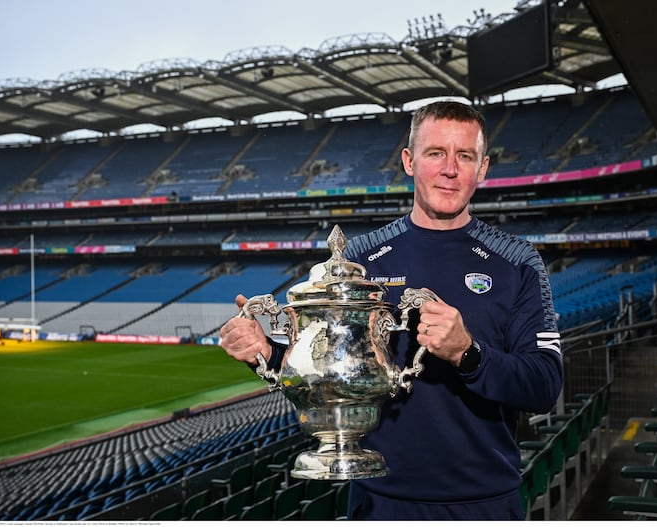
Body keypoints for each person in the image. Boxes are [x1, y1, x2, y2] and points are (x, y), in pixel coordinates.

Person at [219, 100, 563, 520]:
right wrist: (265, 353)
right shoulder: (362, 260)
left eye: (465, 156)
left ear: (484, 168)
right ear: (409, 161)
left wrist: (467, 353)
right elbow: (329, 372)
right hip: (378, 500)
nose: (450, 169)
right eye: (436, 153)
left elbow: (545, 385)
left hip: (485, 502)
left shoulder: (518, 260)